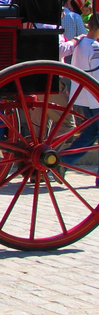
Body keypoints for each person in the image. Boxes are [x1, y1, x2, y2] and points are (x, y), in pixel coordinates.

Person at [60, 13, 99, 187]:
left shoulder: (81, 43)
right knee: (91, 133)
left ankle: (64, 160)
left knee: (90, 133)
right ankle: (64, 160)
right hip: (95, 96)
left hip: (83, 96)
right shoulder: (96, 47)